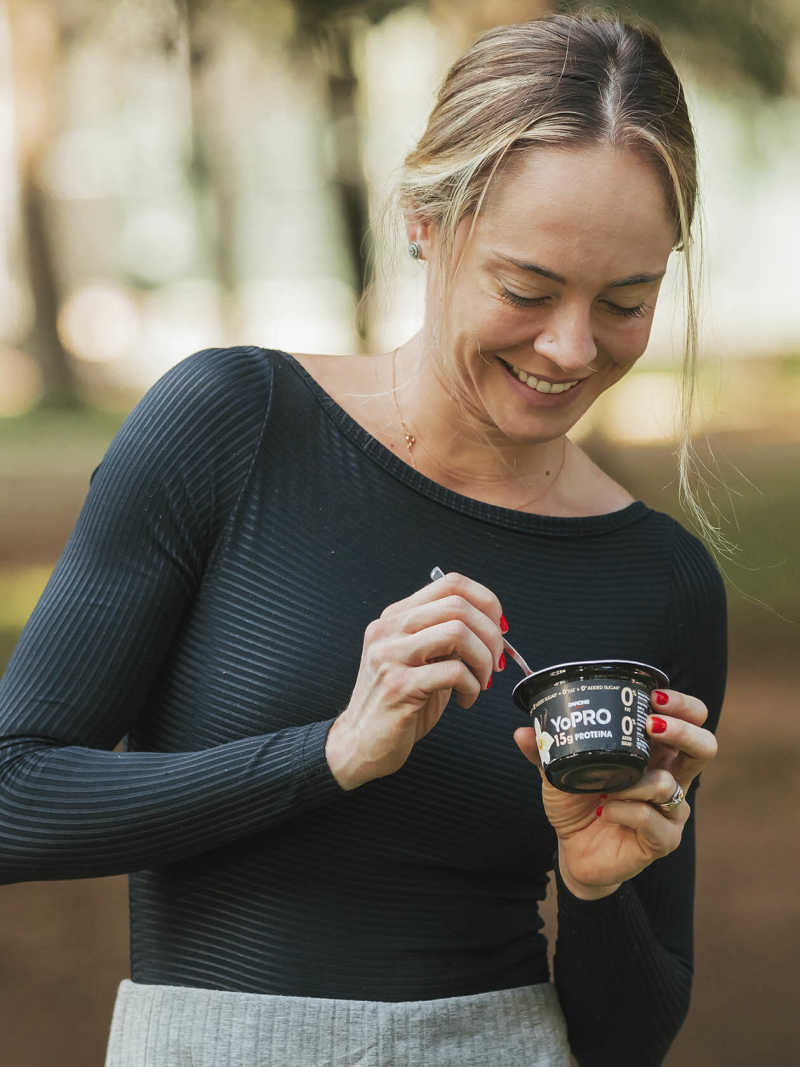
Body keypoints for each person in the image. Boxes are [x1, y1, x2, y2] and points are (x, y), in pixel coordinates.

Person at [0, 12, 725, 1067]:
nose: (569, 348)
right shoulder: (234, 426)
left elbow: (625, 1038)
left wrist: (595, 880)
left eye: (625, 300)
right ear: (423, 221)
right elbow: (13, 794)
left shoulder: (658, 580)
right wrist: (331, 753)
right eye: (525, 289)